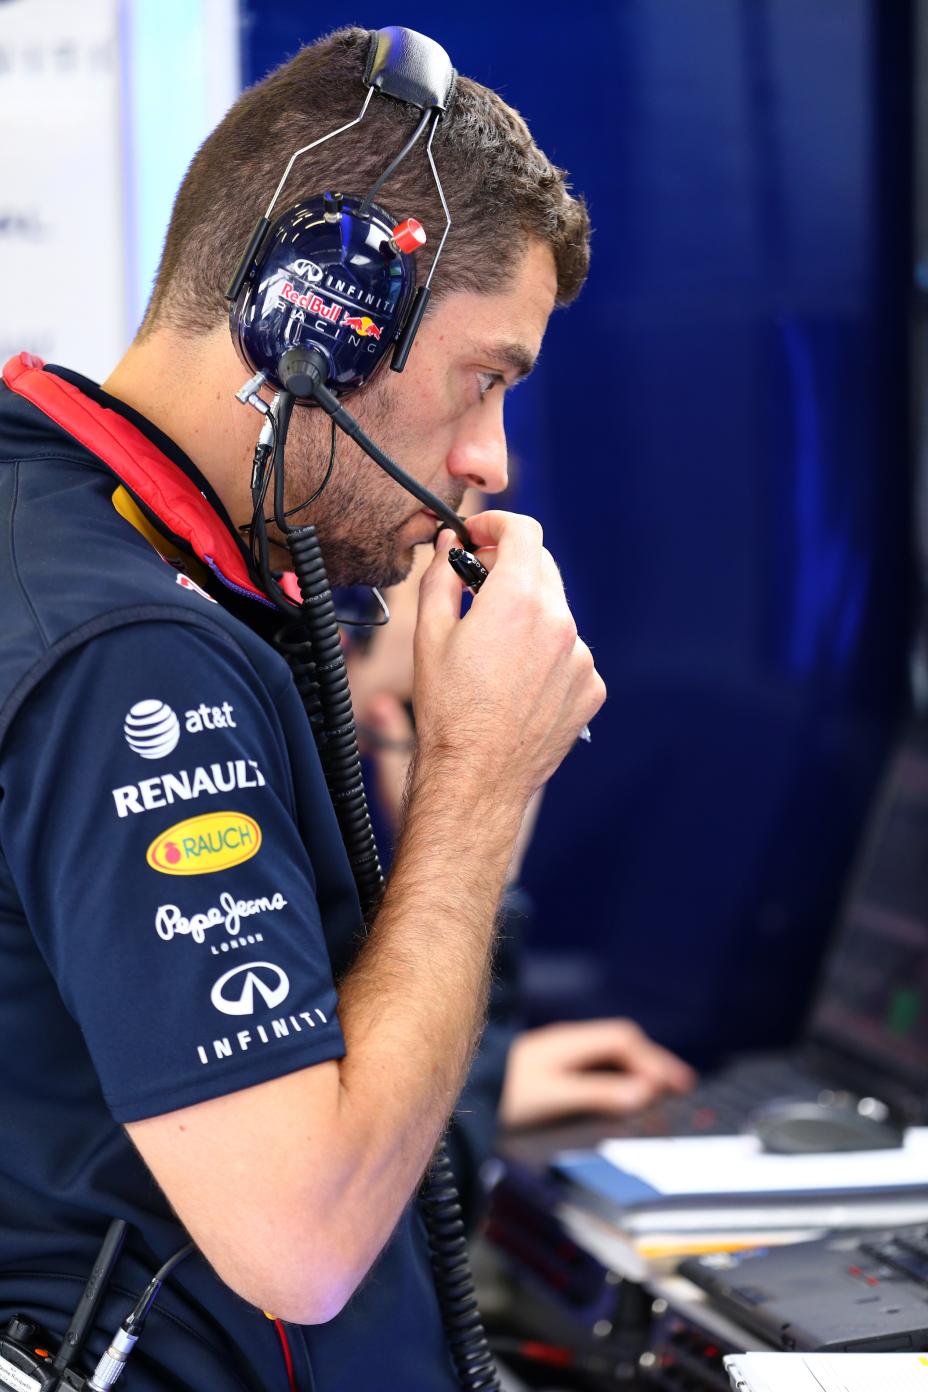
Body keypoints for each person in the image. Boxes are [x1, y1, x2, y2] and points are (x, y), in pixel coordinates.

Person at [0, 25, 604, 1392]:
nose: (488, 461)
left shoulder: (85, 544)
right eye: (487, 379)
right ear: (315, 316)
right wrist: (483, 777)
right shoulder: (128, 654)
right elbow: (303, 1238)